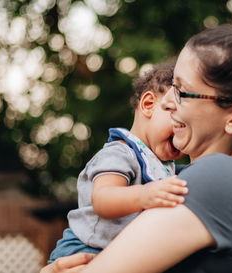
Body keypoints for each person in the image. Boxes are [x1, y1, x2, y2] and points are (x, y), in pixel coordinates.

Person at [41, 8, 232, 273]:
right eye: (172, 86)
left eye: (183, 91)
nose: (170, 103)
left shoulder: (220, 177)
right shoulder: (184, 176)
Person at [48, 61, 187, 263]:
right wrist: (145, 194)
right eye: (180, 122)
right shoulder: (120, 153)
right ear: (149, 104)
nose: (183, 136)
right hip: (85, 249)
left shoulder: (161, 164)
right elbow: (103, 199)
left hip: (115, 254)